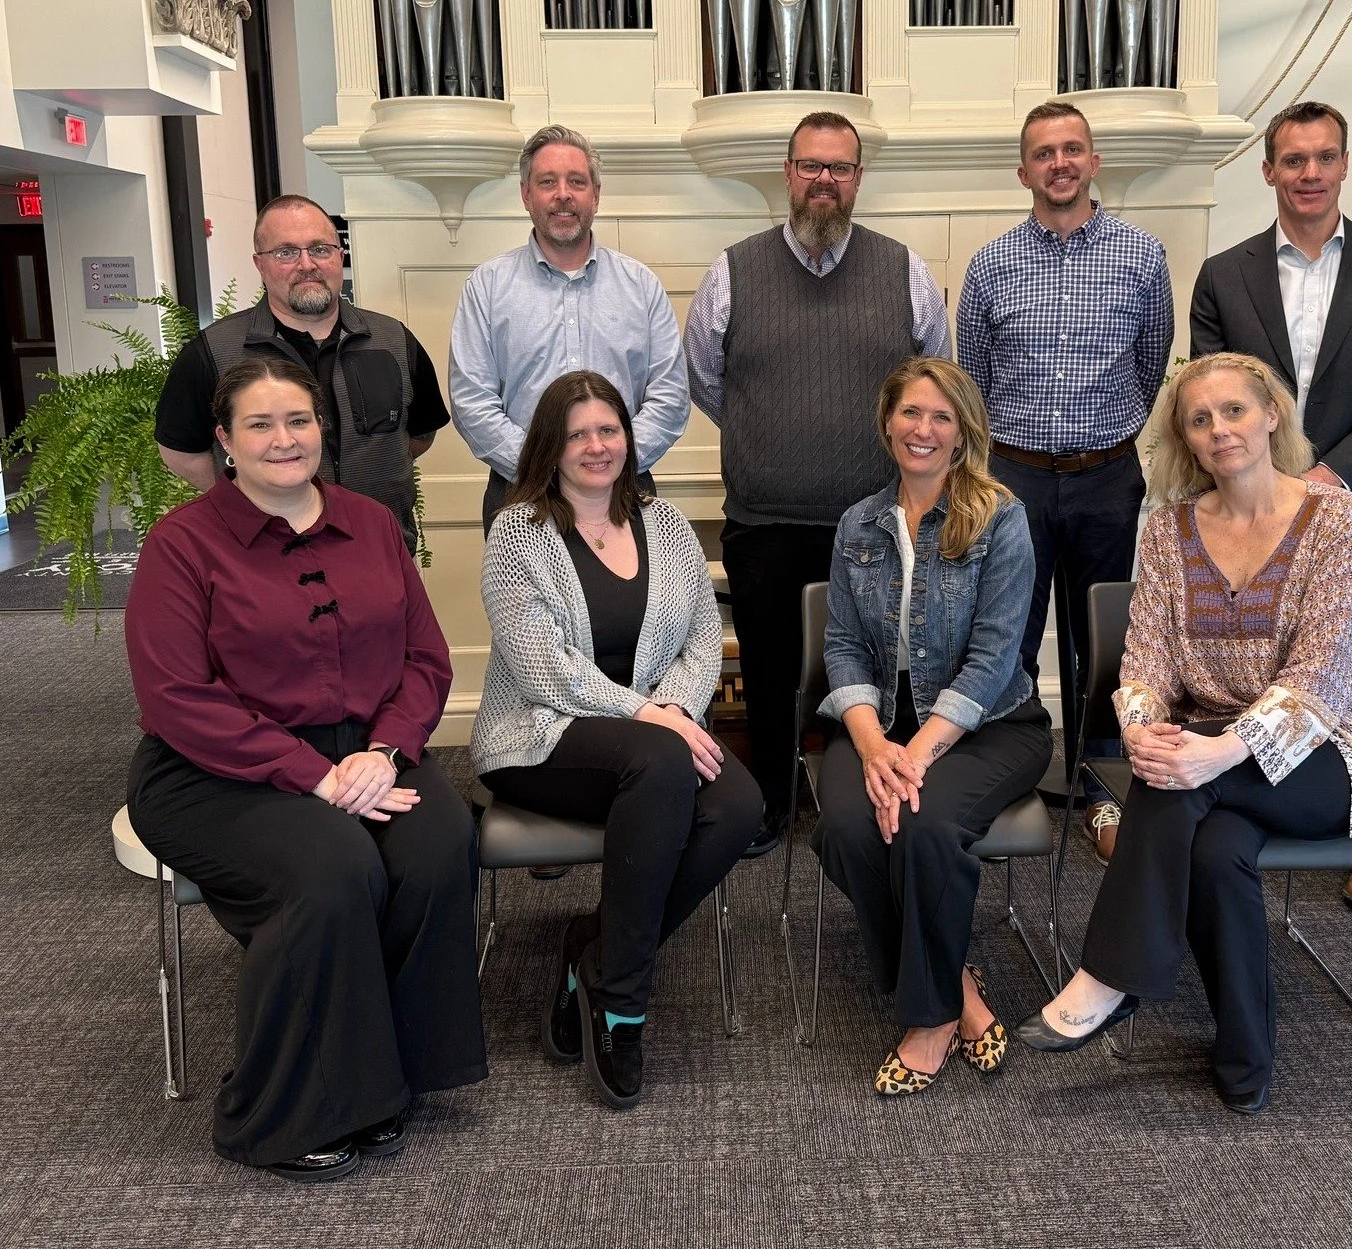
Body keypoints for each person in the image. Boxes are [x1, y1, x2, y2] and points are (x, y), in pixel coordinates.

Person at [1018, 353, 1352, 1114]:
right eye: (1200, 420)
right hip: (1210, 750)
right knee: (1212, 840)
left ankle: (1110, 975)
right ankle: (1245, 1056)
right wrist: (1139, 729)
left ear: (1271, 416)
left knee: (1178, 788)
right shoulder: (1169, 532)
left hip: (1335, 749)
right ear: (1187, 441)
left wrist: (1221, 751)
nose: (1219, 430)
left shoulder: (1336, 519)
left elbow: (1322, 678)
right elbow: (1144, 664)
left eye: (1234, 411)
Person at [126, 357, 486, 1182]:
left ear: (323, 430)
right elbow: (176, 697)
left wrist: (384, 750)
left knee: (437, 842)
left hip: (366, 751)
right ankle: (281, 1114)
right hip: (213, 769)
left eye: (298, 420)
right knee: (332, 869)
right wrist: (314, 777)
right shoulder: (181, 544)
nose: (283, 440)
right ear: (223, 441)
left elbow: (426, 661)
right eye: (259, 424)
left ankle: (391, 1075)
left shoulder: (371, 522)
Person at [473, 370, 763, 1111]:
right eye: (577, 434)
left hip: (651, 740)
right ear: (551, 447)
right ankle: (623, 1005)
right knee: (662, 757)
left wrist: (671, 708)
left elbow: (702, 636)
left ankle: (595, 949)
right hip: (541, 739)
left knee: (738, 805)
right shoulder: (518, 533)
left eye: (609, 430)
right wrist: (653, 716)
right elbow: (541, 666)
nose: (596, 446)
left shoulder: (663, 525)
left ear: (629, 439)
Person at [1188, 100, 1352, 905]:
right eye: (1293, 160)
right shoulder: (1225, 273)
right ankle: (1267, 802)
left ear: (1345, 165)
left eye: (1324, 157)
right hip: (1250, 512)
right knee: (1259, 664)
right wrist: (1268, 484)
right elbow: (1212, 396)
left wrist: (1319, 483)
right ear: (1268, 171)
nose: (1309, 173)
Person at [685, 110, 951, 844]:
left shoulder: (904, 270)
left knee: (875, 672)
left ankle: (867, 800)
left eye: (839, 167)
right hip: (766, 520)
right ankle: (773, 807)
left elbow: (935, 387)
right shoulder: (732, 271)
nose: (823, 180)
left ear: (858, 178)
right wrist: (771, 438)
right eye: (811, 166)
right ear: (789, 174)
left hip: (878, 519)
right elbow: (707, 383)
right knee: (771, 675)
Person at [813, 357, 1053, 1095]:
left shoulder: (1001, 517)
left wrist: (910, 758)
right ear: (888, 423)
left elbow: (993, 657)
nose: (923, 430)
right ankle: (957, 981)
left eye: (941, 417)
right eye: (911, 413)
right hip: (879, 724)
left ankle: (930, 1018)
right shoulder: (859, 522)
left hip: (993, 725)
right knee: (848, 830)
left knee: (918, 824)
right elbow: (843, 644)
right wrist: (869, 742)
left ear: (962, 432)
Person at [957, 101, 1173, 866]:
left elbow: (1151, 368)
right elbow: (972, 384)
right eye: (1044, 153)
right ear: (1024, 172)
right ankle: (1005, 776)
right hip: (1010, 477)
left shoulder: (1143, 257)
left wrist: (1100, 439)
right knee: (1008, 634)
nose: (1060, 164)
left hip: (1106, 476)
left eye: (1072, 149)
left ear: (1093, 162)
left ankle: (1102, 786)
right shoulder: (990, 265)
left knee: (1100, 640)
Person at [156, 194, 447, 554]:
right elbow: (180, 452)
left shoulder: (394, 340)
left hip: (384, 551)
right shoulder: (213, 352)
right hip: (263, 559)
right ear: (259, 264)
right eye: (286, 252)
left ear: (340, 257)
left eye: (320, 249)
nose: (306, 264)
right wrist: (247, 493)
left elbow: (419, 436)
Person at [450, 123, 690, 536]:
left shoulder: (641, 286)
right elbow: (472, 402)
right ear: (527, 194)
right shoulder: (486, 287)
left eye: (576, 182)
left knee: (632, 603)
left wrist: (609, 463)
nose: (563, 194)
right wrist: (547, 463)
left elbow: (670, 396)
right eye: (548, 182)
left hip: (624, 492)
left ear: (595, 194)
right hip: (520, 493)